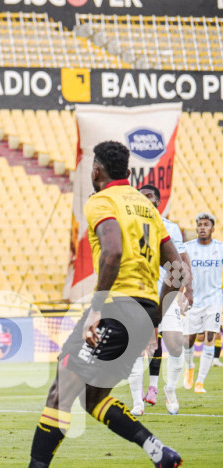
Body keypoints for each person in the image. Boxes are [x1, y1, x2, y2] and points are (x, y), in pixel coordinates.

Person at [28, 141, 187, 468]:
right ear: (127, 172)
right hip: (141, 311)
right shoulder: (149, 210)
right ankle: (160, 452)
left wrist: (97, 309)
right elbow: (178, 271)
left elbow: (112, 252)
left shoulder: (101, 202)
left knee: (61, 391)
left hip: (114, 308)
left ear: (96, 170)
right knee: (92, 398)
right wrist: (154, 318)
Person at [126, 185, 192, 415]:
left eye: (149, 196)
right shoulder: (130, 226)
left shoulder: (170, 228)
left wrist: (188, 289)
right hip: (139, 294)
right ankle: (137, 403)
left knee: (174, 345)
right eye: (140, 197)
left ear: (158, 201)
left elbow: (182, 260)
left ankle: (170, 389)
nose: (145, 199)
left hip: (167, 295)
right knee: (135, 349)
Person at [182, 212, 222, 393]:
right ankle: (189, 367)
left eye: (206, 224)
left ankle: (200, 382)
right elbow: (179, 274)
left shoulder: (220, 248)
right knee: (189, 340)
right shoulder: (187, 248)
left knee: (210, 337)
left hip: (214, 300)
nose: (202, 228)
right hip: (194, 301)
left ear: (213, 228)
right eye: (199, 225)